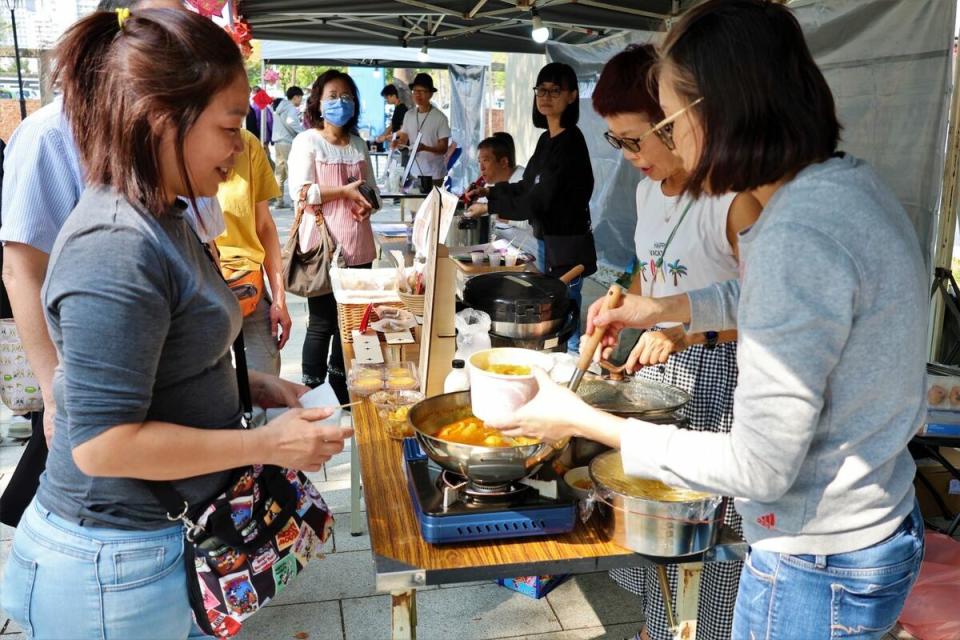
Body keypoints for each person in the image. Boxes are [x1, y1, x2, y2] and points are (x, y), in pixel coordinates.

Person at [490, 1, 926, 638]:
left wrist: (588, 421)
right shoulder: (846, 186)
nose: (667, 145)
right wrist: (667, 308)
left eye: (666, 122)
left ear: (717, 111)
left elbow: (758, 467)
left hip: (817, 558)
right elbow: (804, 308)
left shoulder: (793, 232)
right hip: (875, 524)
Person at [0, 8, 350, 638]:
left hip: (153, 548)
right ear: (164, 120)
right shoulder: (116, 243)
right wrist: (267, 444)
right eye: (229, 127)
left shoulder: (167, 214)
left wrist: (253, 390)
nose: (239, 149)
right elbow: (103, 444)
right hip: (110, 568)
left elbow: (165, 363)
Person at [0, 0, 224, 529]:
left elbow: (200, 241)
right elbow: (21, 267)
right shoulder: (53, 138)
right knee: (91, 483)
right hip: (94, 372)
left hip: (161, 386)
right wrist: (56, 391)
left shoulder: (175, 151)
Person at [592, 44, 761, 640]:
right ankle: (660, 628)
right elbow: (652, 270)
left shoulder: (733, 201)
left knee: (706, 533)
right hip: (662, 381)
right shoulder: (646, 192)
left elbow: (768, 307)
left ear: (678, 118)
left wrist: (684, 330)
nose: (632, 157)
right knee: (653, 524)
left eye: (638, 139)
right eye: (619, 143)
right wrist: (622, 307)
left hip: (720, 383)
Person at [467, 62, 596, 352]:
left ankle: (572, 368)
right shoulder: (546, 139)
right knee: (549, 310)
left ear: (572, 96)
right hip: (546, 241)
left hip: (567, 246)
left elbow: (538, 200)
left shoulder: (571, 142)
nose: (546, 96)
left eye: (555, 90)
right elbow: (526, 186)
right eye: (541, 90)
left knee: (565, 317)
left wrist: (489, 207)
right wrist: (489, 192)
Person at [289, 70, 380, 403]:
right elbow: (300, 193)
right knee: (322, 322)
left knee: (351, 323)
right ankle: (313, 393)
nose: (340, 102)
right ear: (318, 101)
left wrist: (369, 204)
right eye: (332, 96)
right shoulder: (307, 141)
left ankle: (340, 390)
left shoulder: (358, 144)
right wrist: (343, 191)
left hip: (359, 246)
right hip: (323, 247)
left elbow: (370, 188)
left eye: (346, 96)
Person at [214, 128, 291, 383]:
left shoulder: (247, 144)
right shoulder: (176, 146)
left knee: (267, 385)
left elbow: (265, 225)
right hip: (204, 290)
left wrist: (279, 299)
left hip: (249, 285)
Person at [392, 72, 450, 189]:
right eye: (415, 91)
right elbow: (403, 140)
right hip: (414, 171)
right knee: (414, 206)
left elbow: (443, 148)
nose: (418, 95)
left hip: (435, 174)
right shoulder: (409, 115)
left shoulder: (440, 117)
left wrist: (425, 148)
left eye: (422, 91)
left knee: (431, 206)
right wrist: (398, 144)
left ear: (430, 94)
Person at [271, 85, 305, 206]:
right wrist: (303, 132)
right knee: (292, 171)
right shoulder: (290, 108)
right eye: (300, 98)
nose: (301, 101)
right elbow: (292, 122)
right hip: (287, 143)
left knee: (279, 172)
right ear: (295, 97)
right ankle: (293, 200)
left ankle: (279, 200)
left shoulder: (280, 107)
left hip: (278, 143)